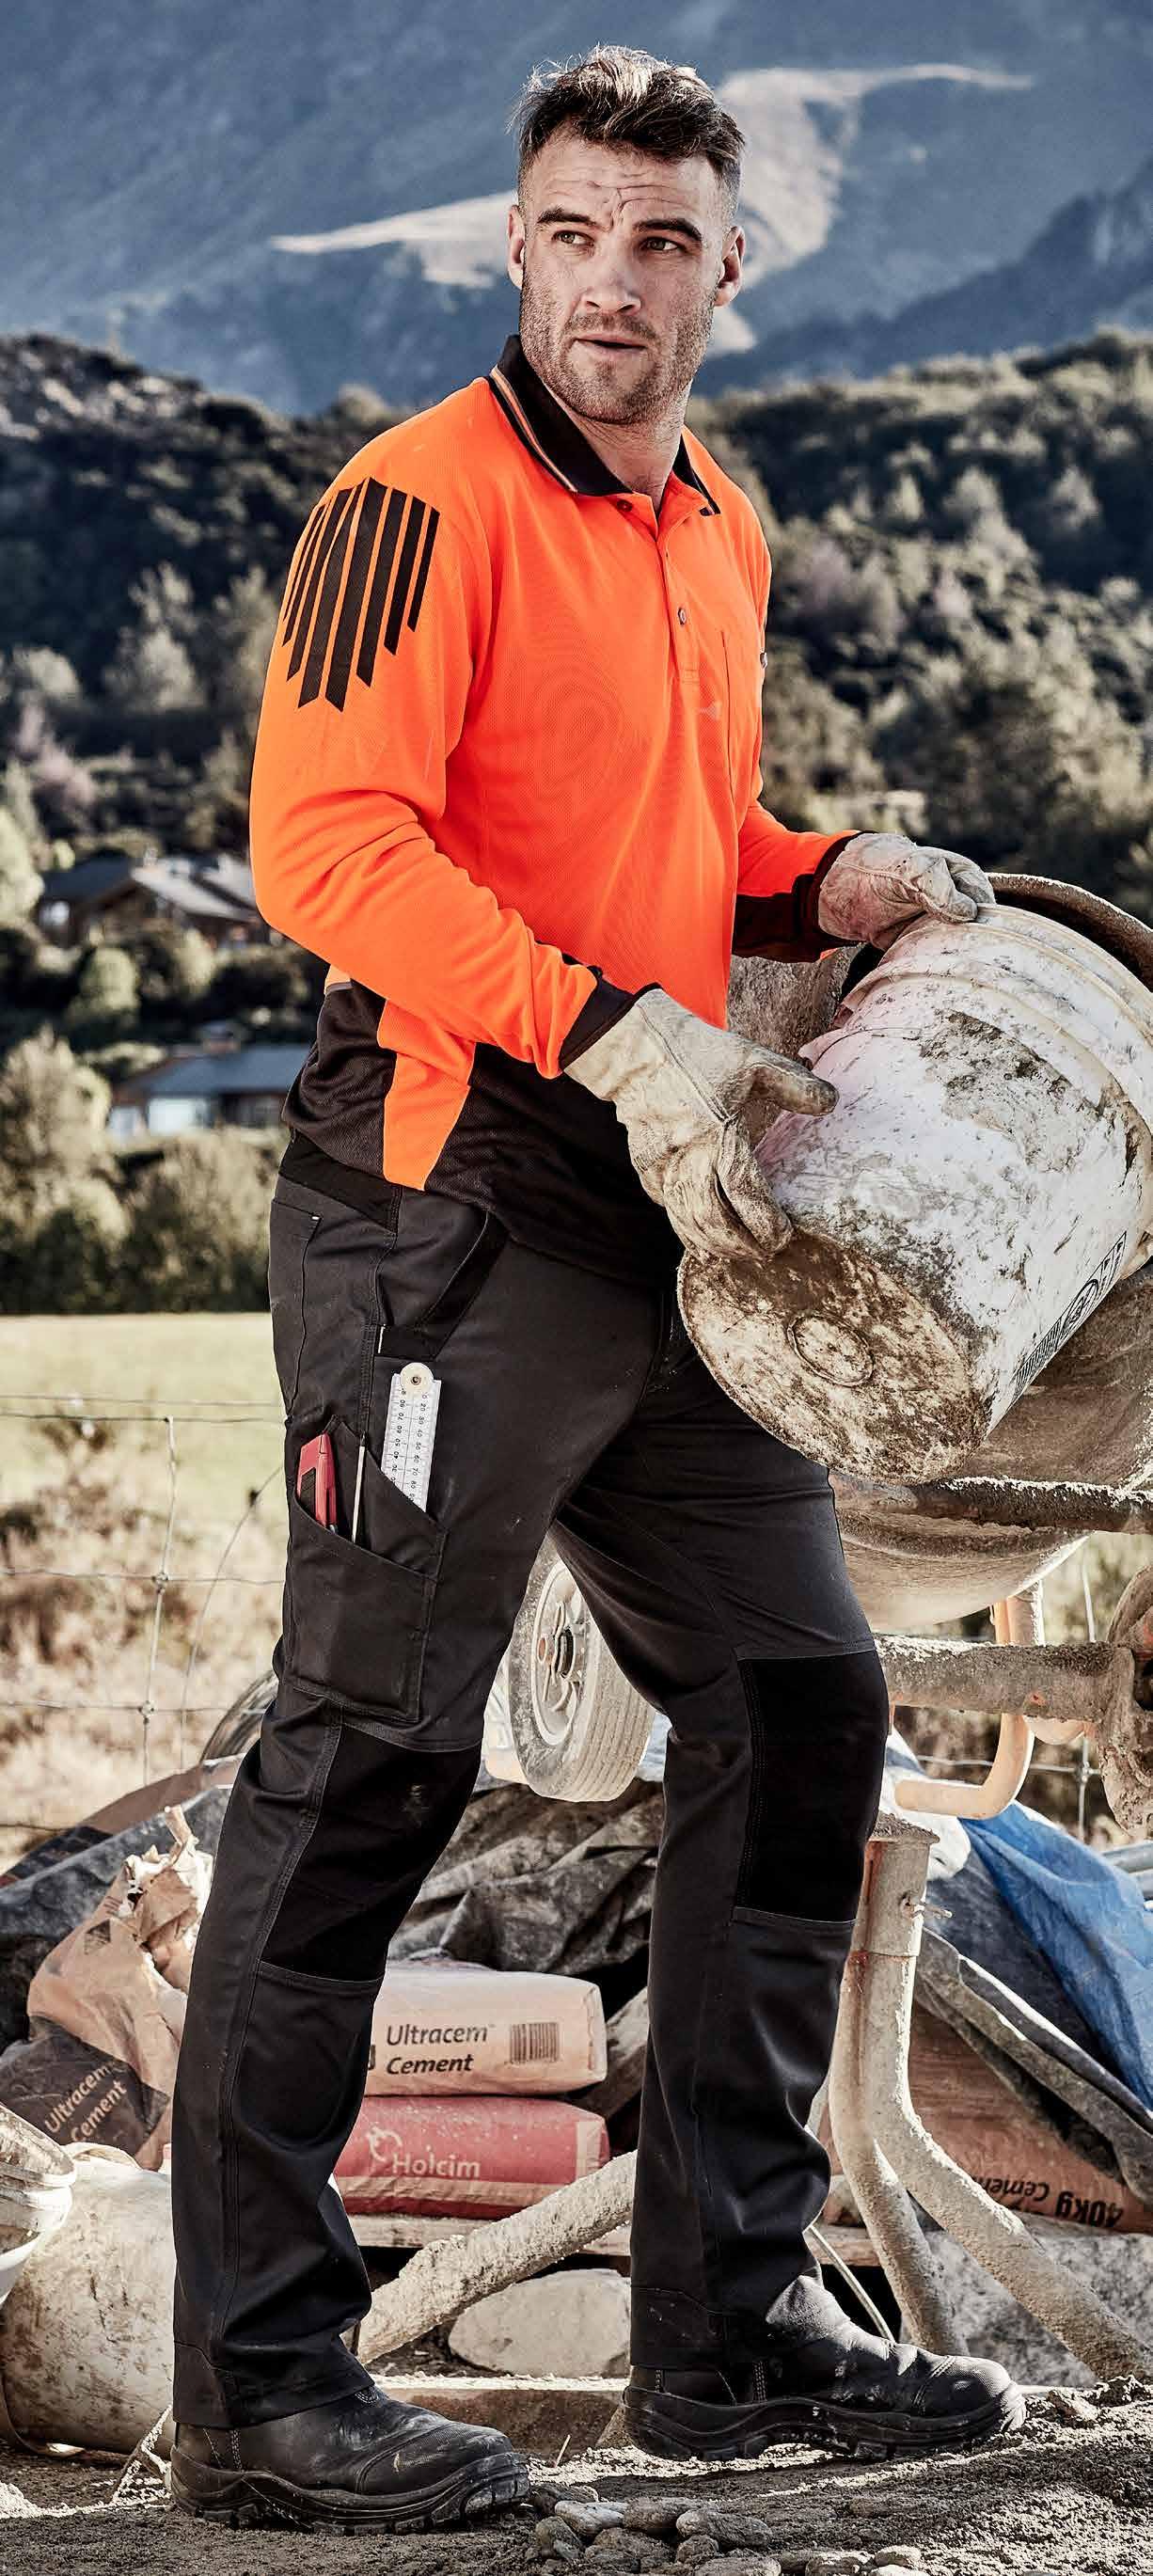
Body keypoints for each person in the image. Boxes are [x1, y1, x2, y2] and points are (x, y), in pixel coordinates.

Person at [168, 44, 1020, 2532]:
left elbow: (666, 824)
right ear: (514, 250)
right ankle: (257, 2385)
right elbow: (328, 845)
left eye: (659, 241)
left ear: (727, 267)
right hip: (446, 1195)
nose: (610, 283)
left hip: (665, 1199)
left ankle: (726, 2331)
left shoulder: (710, 523)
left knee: (796, 1693)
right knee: (366, 1754)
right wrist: (613, 1023)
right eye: (569, 233)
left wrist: (815, 874)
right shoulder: (408, 503)